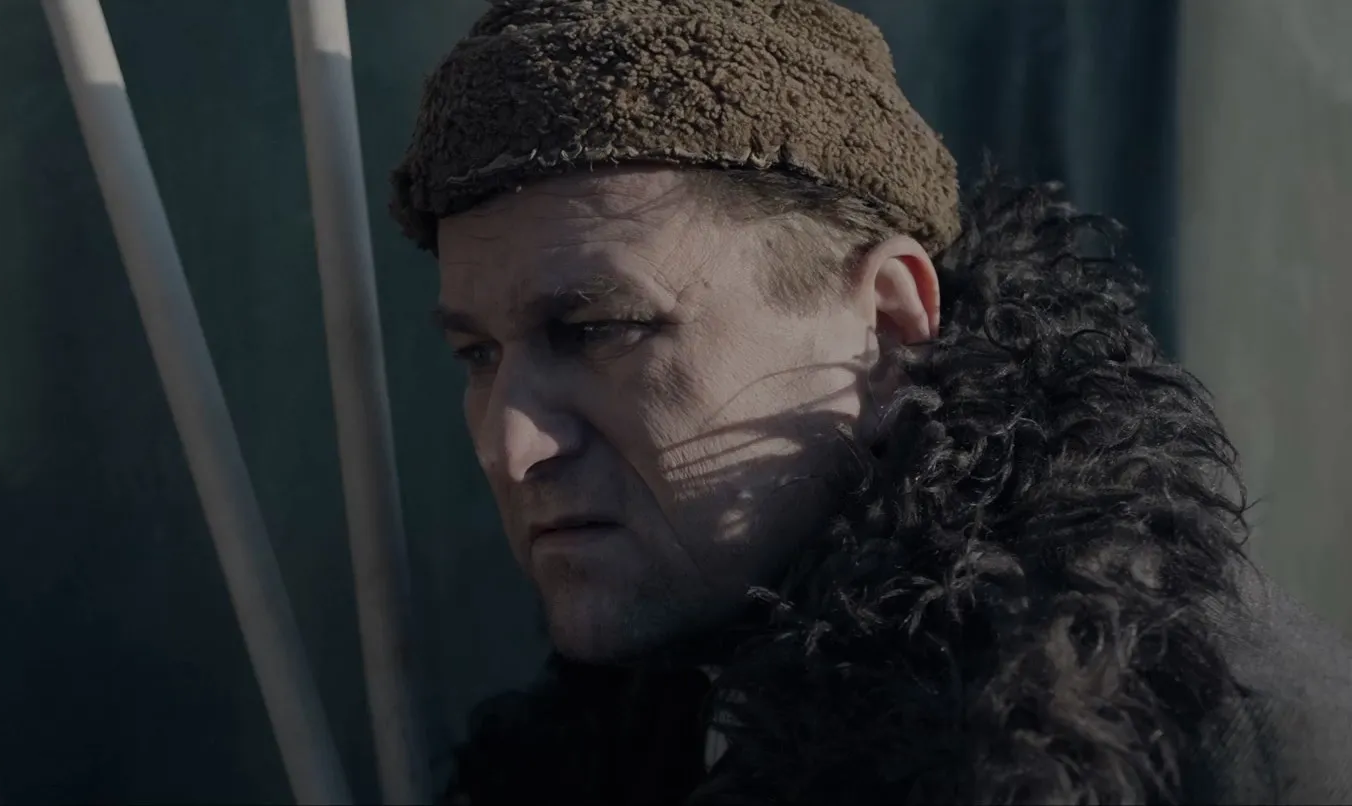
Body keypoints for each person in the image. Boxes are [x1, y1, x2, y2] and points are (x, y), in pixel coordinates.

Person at [388, 1, 1352, 803]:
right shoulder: (634, 728)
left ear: (888, 325)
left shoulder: (1211, 746)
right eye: (478, 353)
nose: (509, 444)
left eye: (599, 329)